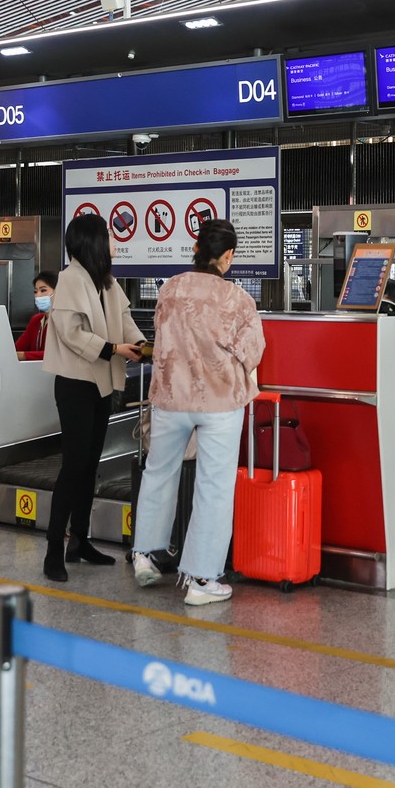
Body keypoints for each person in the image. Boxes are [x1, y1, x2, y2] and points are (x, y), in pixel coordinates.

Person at [131, 220, 265, 606]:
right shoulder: (238, 299)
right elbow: (252, 351)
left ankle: (144, 555)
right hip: (220, 402)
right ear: (228, 256)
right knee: (214, 487)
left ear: (196, 249)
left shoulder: (170, 289)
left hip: (171, 399)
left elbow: (158, 337)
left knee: (158, 472)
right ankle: (202, 580)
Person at [39, 213, 145, 582]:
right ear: (93, 242)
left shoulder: (108, 283)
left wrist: (142, 345)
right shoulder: (70, 279)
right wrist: (114, 347)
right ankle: (54, 548)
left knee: (90, 465)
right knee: (73, 465)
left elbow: (126, 319)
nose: (114, 243)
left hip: (101, 381)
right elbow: (71, 331)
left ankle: (79, 540)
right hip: (75, 383)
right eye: (109, 236)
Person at [15, 271, 59, 360]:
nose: (38, 295)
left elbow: (58, 354)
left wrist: (24, 355)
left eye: (43, 290)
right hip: (34, 371)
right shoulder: (36, 320)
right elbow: (17, 348)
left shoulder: (64, 321)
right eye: (35, 291)